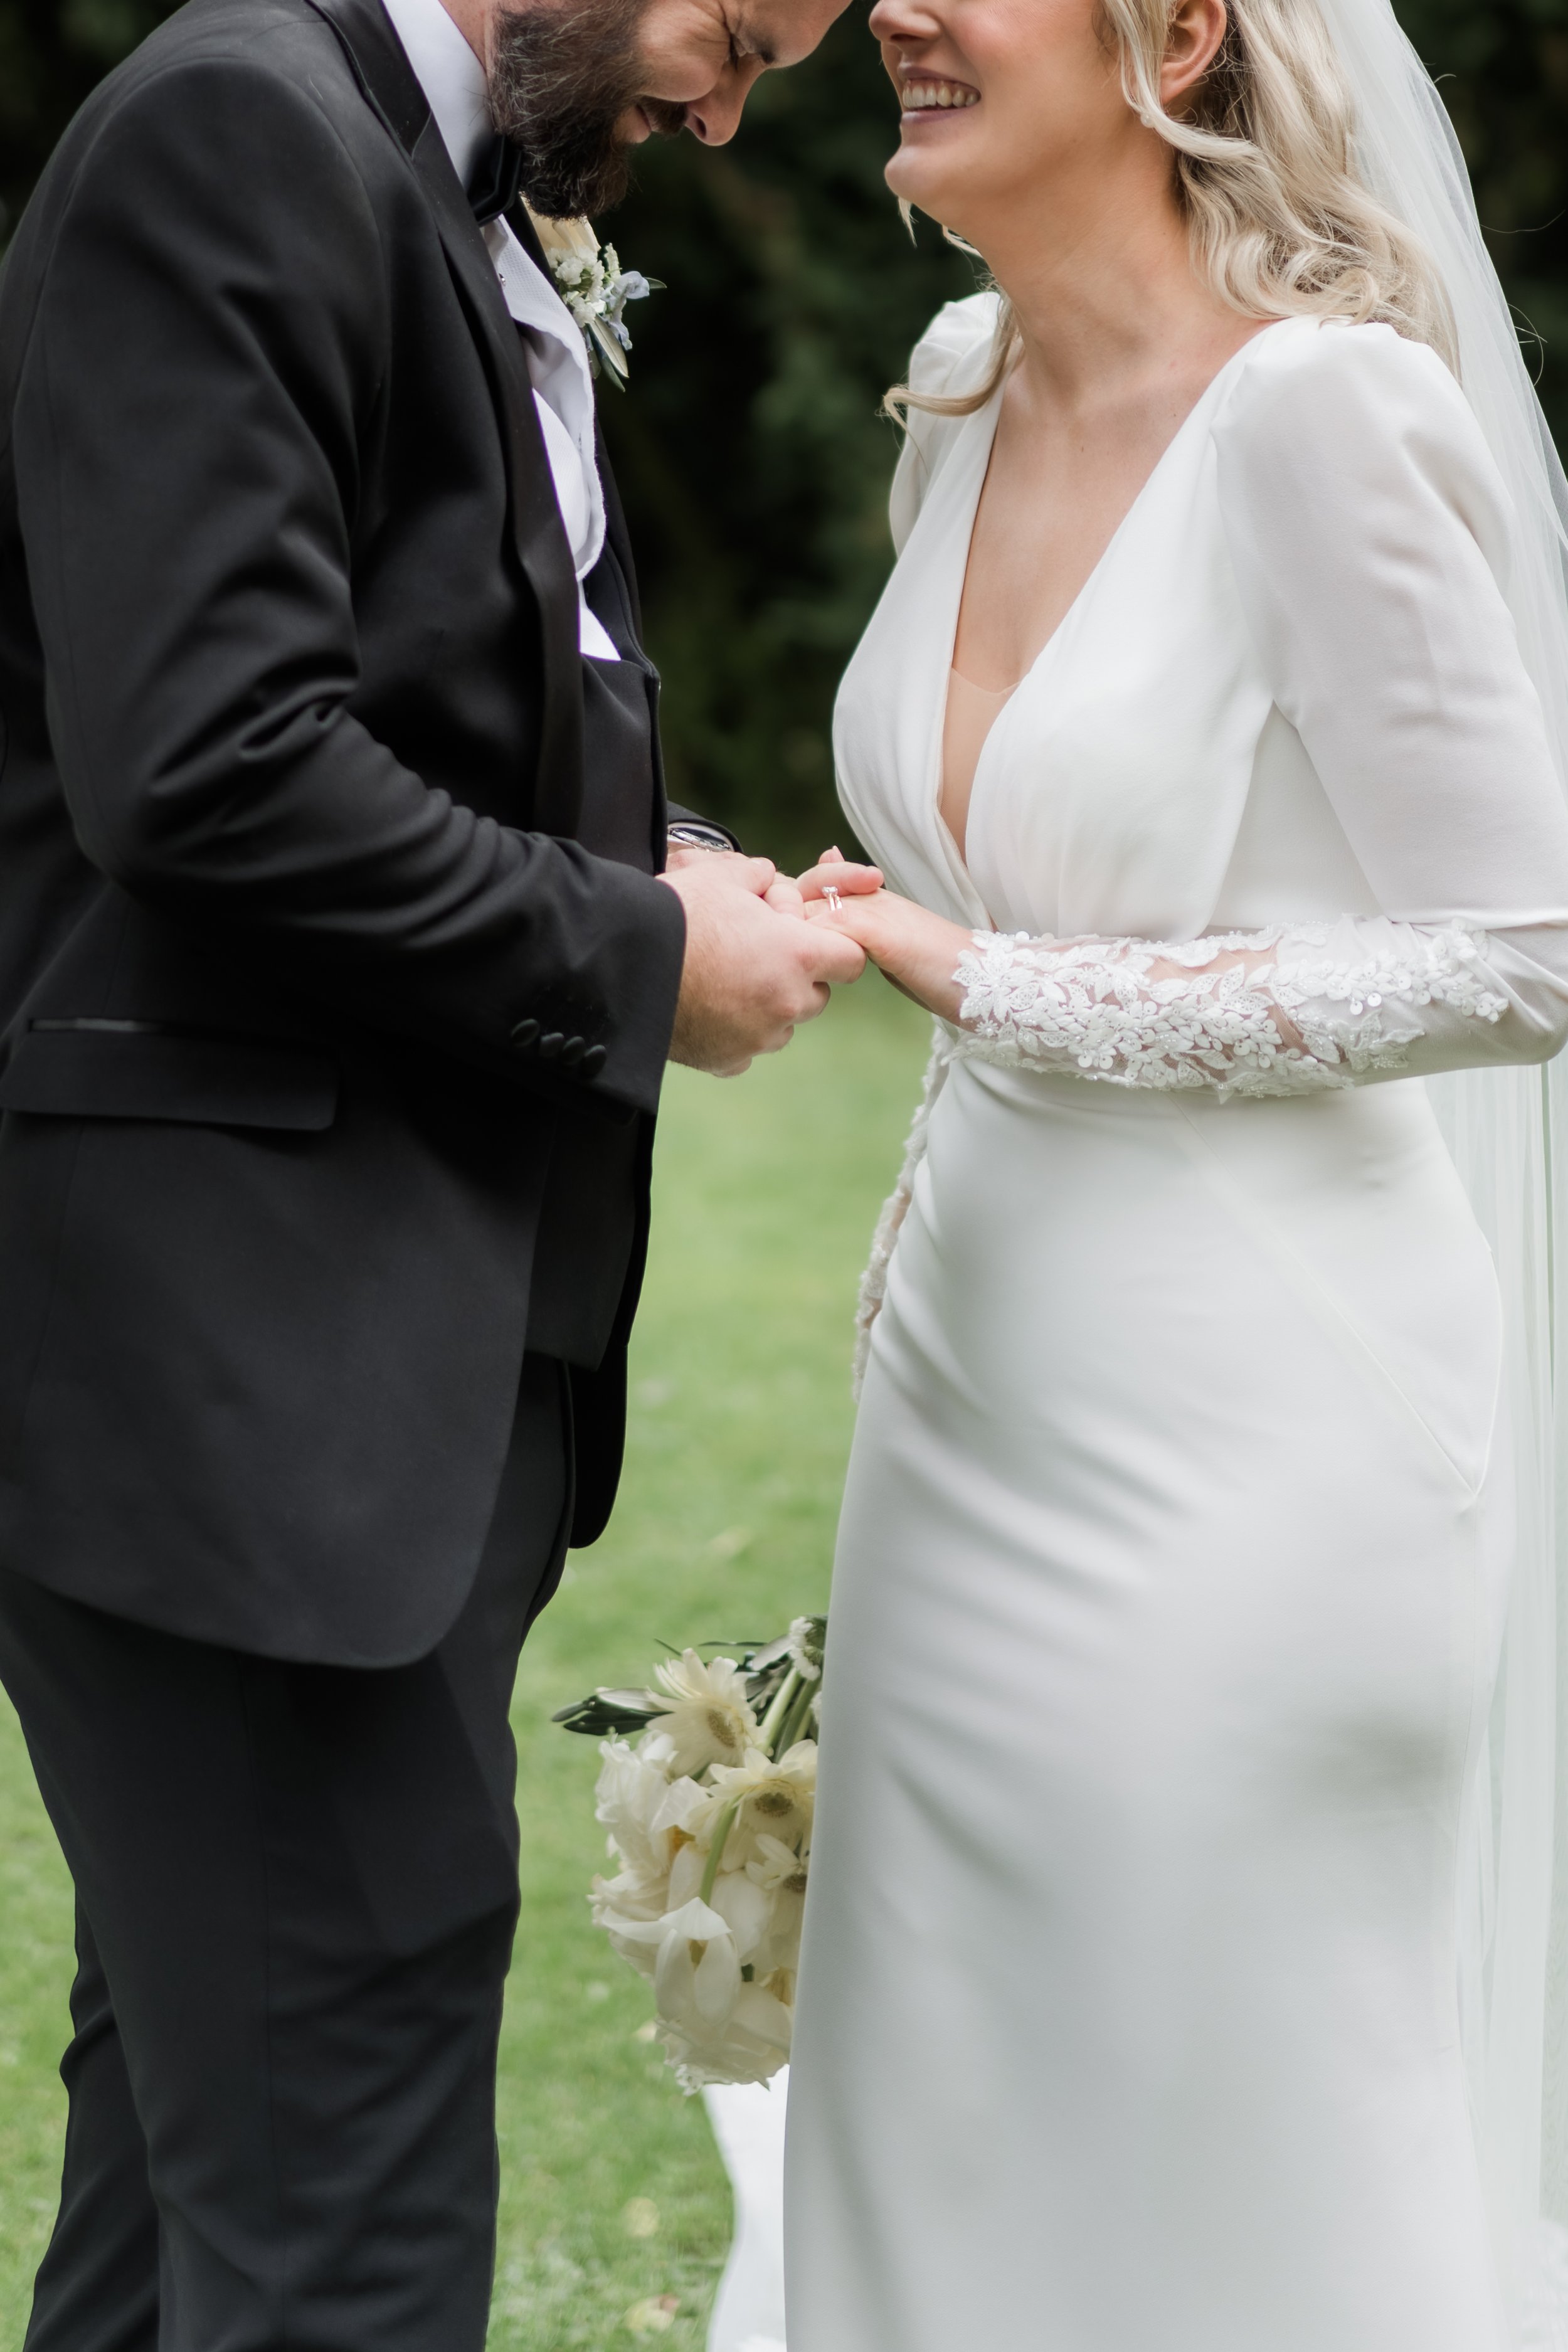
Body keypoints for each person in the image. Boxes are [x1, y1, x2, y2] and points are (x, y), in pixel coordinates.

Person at [0, 0, 862, 2338]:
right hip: (235, 1362)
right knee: (343, 2245)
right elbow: (209, 758)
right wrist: (633, 955)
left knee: (204, 2181)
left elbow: (433, 684)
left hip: (362, 1366)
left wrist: (667, 849)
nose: (720, 110)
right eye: (735, 37)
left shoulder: (438, 172)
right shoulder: (233, 131)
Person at [783, 0, 1568, 2344]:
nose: (894, 9)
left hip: (1264, 1433)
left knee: (1215, 2104)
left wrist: (992, 983)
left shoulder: (1322, 412)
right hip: (960, 1407)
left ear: (1181, 33)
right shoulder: (956, 378)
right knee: (944, 2095)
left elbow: (1527, 948)